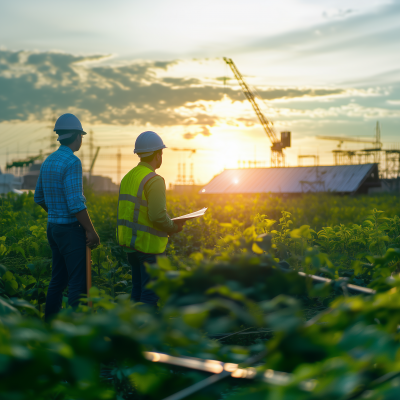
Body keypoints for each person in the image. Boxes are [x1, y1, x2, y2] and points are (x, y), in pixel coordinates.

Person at [34, 113, 100, 321]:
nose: (82, 139)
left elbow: (39, 197)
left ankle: (50, 325)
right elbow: (75, 204)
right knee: (77, 284)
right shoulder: (72, 162)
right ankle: (74, 331)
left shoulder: (49, 161)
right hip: (70, 232)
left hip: (53, 229)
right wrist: (91, 231)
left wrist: (55, 211)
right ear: (76, 136)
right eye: (81, 135)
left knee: (58, 280)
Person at [116, 131, 185, 307]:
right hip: (149, 248)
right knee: (150, 296)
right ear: (157, 154)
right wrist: (174, 227)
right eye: (161, 152)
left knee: (137, 292)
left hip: (132, 247)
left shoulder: (128, 177)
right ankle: (144, 332)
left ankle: (131, 330)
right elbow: (157, 216)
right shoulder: (154, 180)